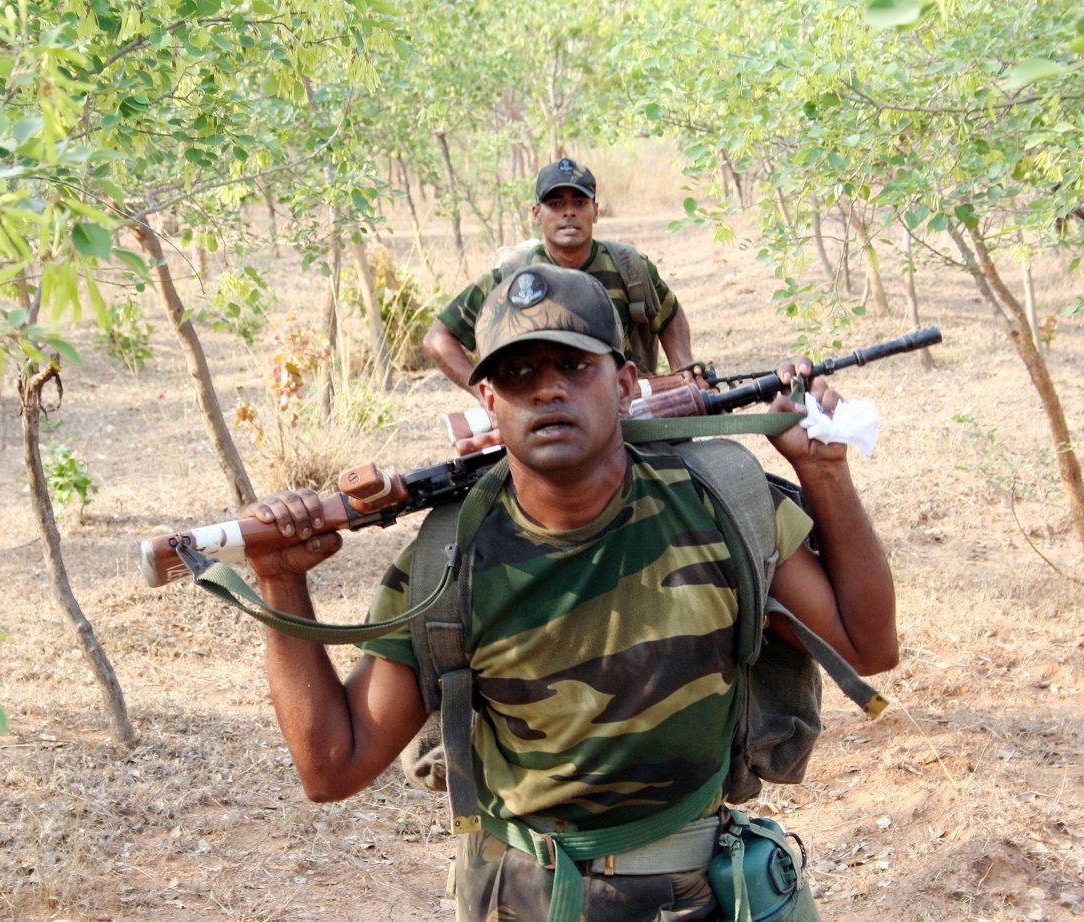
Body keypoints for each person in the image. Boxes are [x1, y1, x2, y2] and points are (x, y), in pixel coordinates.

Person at [242, 265, 898, 922]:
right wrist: (280, 581)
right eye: (518, 373)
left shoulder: (722, 500)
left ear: (623, 384)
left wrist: (822, 471)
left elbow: (867, 647)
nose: (547, 388)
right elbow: (332, 768)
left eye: (572, 364)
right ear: (488, 401)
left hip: (693, 890)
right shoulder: (448, 563)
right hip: (523, 898)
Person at [423, 158, 702, 396]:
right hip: (544, 409)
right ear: (536, 214)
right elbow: (438, 338)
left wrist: (683, 369)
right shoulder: (512, 276)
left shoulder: (628, 267)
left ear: (595, 211)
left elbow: (669, 314)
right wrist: (487, 395)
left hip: (628, 405)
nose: (569, 212)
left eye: (579, 202)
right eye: (556, 204)